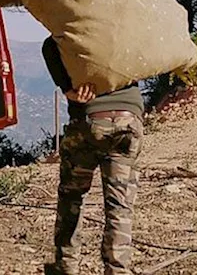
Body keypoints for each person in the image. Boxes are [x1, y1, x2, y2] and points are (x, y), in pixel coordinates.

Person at [41, 36, 144, 275]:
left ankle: (66, 265)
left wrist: (67, 88)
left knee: (71, 196)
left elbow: (49, 45)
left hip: (88, 120)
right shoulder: (129, 27)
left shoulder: (79, 28)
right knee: (120, 203)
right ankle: (117, 269)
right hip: (128, 120)